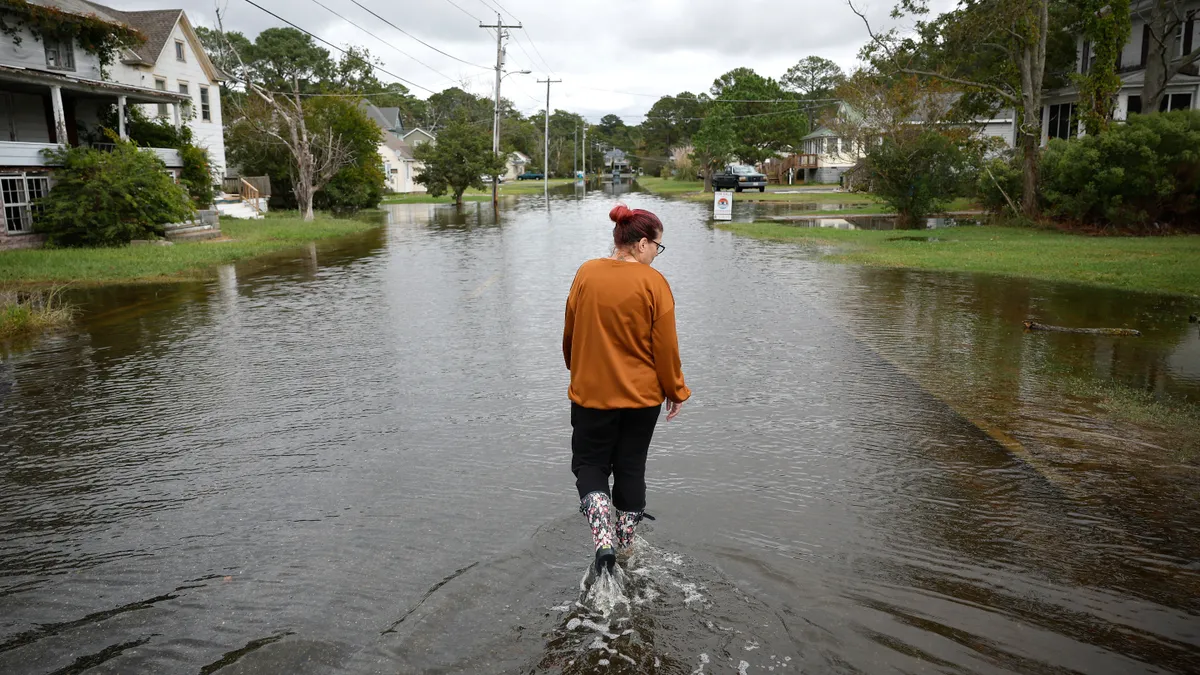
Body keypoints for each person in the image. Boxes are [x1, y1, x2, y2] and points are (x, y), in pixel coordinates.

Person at [562, 204, 691, 574]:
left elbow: (570, 332)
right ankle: (627, 547)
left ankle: (601, 541)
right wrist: (675, 390)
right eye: (657, 247)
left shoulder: (586, 273)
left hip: (592, 395)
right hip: (641, 398)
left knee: (590, 465)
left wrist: (579, 369)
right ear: (641, 244)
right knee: (631, 467)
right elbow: (665, 348)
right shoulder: (655, 284)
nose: (656, 254)